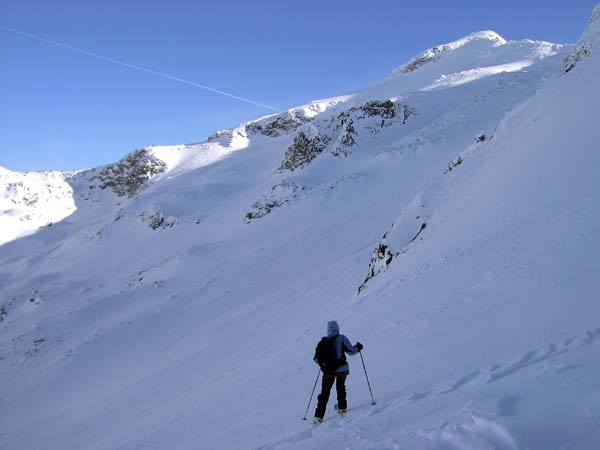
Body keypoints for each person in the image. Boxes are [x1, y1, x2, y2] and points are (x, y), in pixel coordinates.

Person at [313, 320, 363, 423]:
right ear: (337, 328)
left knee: (325, 392)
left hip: (328, 371)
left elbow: (316, 359)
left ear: (328, 329)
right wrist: (358, 347)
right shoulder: (341, 338)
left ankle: (319, 415)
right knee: (340, 387)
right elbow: (351, 351)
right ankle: (342, 407)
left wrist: (324, 364)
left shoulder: (323, 342)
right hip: (342, 369)